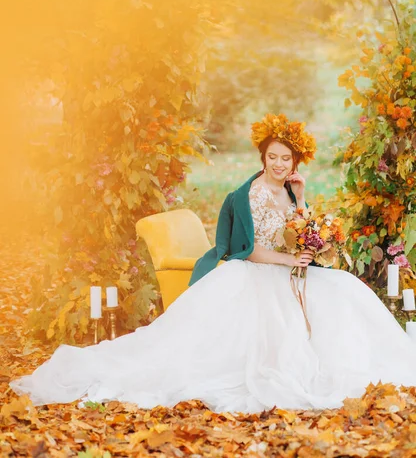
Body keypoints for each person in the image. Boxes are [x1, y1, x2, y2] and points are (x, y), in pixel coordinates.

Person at [10, 113, 416, 413]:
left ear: (296, 162)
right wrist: (292, 258)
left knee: (345, 287)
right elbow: (251, 249)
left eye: (286, 159)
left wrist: (304, 203)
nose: (279, 164)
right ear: (262, 156)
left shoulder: (292, 189)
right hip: (259, 271)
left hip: (289, 268)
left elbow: (302, 227)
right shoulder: (249, 195)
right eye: (273, 157)